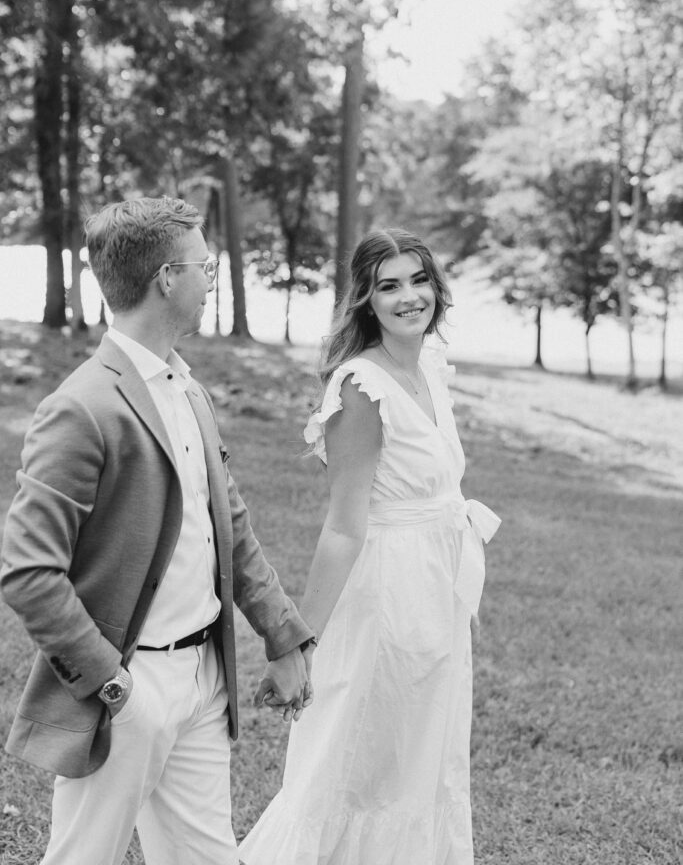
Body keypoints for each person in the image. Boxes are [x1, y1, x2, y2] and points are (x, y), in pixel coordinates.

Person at [0, 196, 315, 865]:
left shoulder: (188, 390)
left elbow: (229, 525)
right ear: (168, 278)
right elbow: (28, 571)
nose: (211, 276)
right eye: (205, 264)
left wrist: (281, 636)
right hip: (128, 689)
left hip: (204, 678)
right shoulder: (81, 406)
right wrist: (112, 685)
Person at [241, 227, 501, 865]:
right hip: (386, 595)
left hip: (436, 592)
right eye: (389, 286)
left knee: (420, 764)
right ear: (365, 299)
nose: (409, 296)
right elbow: (343, 526)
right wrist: (297, 645)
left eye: (418, 280)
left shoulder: (429, 367)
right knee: (352, 765)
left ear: (436, 288)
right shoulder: (361, 386)